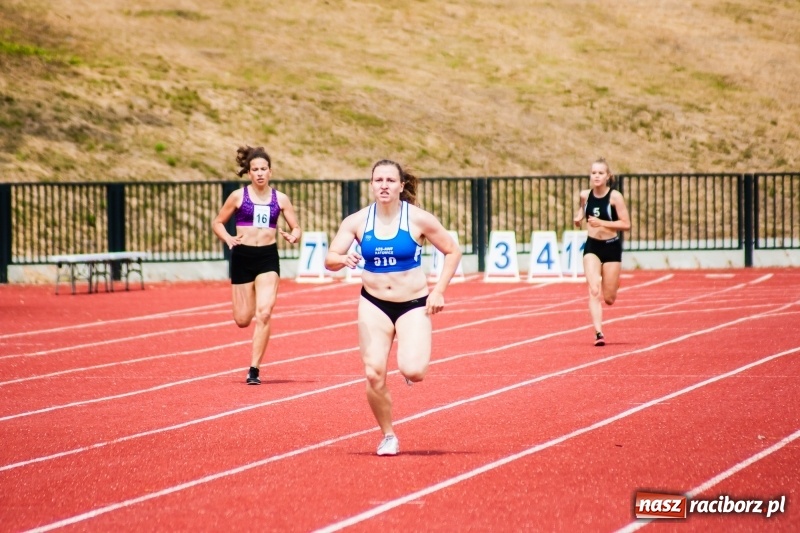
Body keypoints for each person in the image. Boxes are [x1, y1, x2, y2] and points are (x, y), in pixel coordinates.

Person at [325, 159, 462, 456]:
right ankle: (388, 435)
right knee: (374, 373)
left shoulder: (418, 219)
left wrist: (439, 291)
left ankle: (409, 366)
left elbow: (452, 250)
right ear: (371, 185)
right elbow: (330, 257)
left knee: (414, 370)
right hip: (373, 303)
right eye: (378, 180)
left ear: (401, 185)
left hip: (413, 304)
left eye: (390, 180)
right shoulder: (357, 221)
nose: (384, 185)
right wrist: (342, 259)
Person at [212, 145, 302, 385]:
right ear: (249, 173)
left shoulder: (280, 199)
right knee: (242, 319)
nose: (260, 173)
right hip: (243, 257)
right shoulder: (238, 197)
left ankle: (254, 369)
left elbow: (296, 227)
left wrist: (294, 235)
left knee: (264, 313)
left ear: (270, 171)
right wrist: (228, 238)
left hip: (267, 258)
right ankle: (249, 299)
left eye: (263, 169)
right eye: (255, 169)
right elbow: (218, 222)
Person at [573, 157, 631, 347]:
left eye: (600, 173)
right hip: (592, 247)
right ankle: (599, 333)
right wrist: (579, 216)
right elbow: (583, 209)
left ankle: (613, 283)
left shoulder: (615, 197)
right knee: (593, 289)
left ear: (608, 176)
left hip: (611, 246)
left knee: (609, 298)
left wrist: (603, 223)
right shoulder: (585, 195)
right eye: (594, 173)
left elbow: (626, 224)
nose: (596, 176)